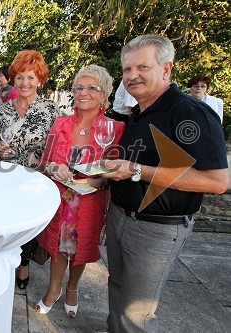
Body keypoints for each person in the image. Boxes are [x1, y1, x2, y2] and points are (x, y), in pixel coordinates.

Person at [102, 34, 228, 332]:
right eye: (127, 70)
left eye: (142, 67)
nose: (132, 76)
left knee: (137, 315)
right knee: (117, 291)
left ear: (166, 69)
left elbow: (217, 182)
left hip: (157, 229)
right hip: (119, 217)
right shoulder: (137, 112)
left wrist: (136, 170)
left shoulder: (190, 112)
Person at [35, 65, 125, 317]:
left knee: (80, 247)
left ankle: (72, 288)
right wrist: (54, 167)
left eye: (92, 88)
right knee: (58, 247)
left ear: (105, 94)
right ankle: (54, 290)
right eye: (79, 87)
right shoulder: (61, 123)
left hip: (91, 201)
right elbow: (43, 162)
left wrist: (100, 181)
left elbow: (116, 170)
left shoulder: (114, 128)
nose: (83, 92)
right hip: (62, 198)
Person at [0, 49, 61, 290]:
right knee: (8, 222)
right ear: (13, 80)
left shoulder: (50, 110)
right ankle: (6, 260)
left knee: (28, 225)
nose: (25, 83)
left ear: (40, 80)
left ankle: (23, 264)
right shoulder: (3, 110)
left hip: (36, 179)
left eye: (31, 77)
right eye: (20, 77)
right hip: (7, 178)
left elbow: (57, 147)